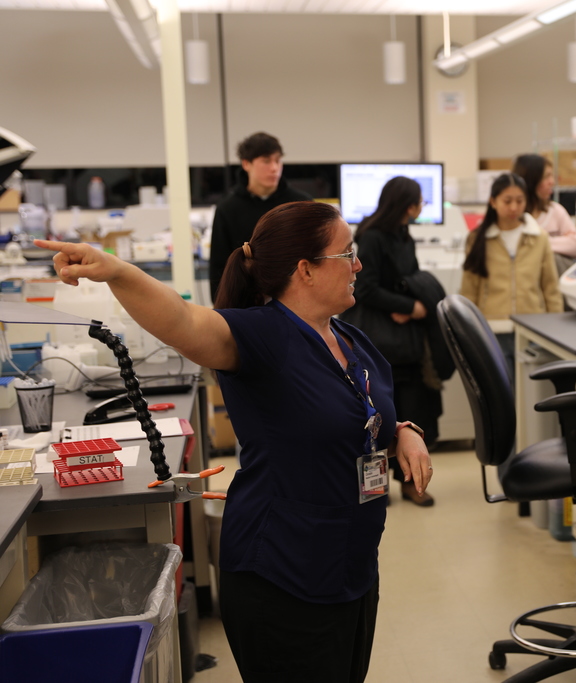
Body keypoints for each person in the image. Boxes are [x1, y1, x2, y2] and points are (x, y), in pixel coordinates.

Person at [35, 200, 431, 683]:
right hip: (284, 575)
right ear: (305, 269)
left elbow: (358, 417)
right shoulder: (261, 336)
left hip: (350, 567)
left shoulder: (348, 339)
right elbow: (182, 321)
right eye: (347, 254)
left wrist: (402, 434)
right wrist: (118, 272)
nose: (359, 264)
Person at [341, 176, 440, 507]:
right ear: (407, 205)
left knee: (412, 410)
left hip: (405, 342)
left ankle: (410, 483)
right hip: (378, 339)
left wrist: (409, 304)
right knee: (377, 414)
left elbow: (406, 276)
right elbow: (365, 286)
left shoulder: (403, 234)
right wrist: (408, 306)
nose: (421, 207)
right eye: (419, 202)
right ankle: (375, 488)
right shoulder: (372, 236)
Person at [460, 173, 563, 375]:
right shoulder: (477, 239)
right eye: (507, 201)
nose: (514, 207)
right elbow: (469, 289)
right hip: (491, 329)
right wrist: (466, 331)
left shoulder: (538, 237)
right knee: (501, 397)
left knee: (531, 397)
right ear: (493, 202)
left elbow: (550, 287)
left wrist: (555, 326)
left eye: (519, 201)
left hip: (533, 328)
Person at [208, 132, 312, 302]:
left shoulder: (301, 204)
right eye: (266, 161)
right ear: (246, 164)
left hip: (297, 303)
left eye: (278, 160)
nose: (274, 168)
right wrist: (221, 305)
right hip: (246, 304)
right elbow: (219, 265)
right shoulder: (228, 209)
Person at [512, 153, 576, 274]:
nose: (552, 182)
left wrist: (538, 243)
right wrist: (557, 242)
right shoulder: (513, 214)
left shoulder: (555, 210)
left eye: (552, 176)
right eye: (546, 177)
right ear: (532, 180)